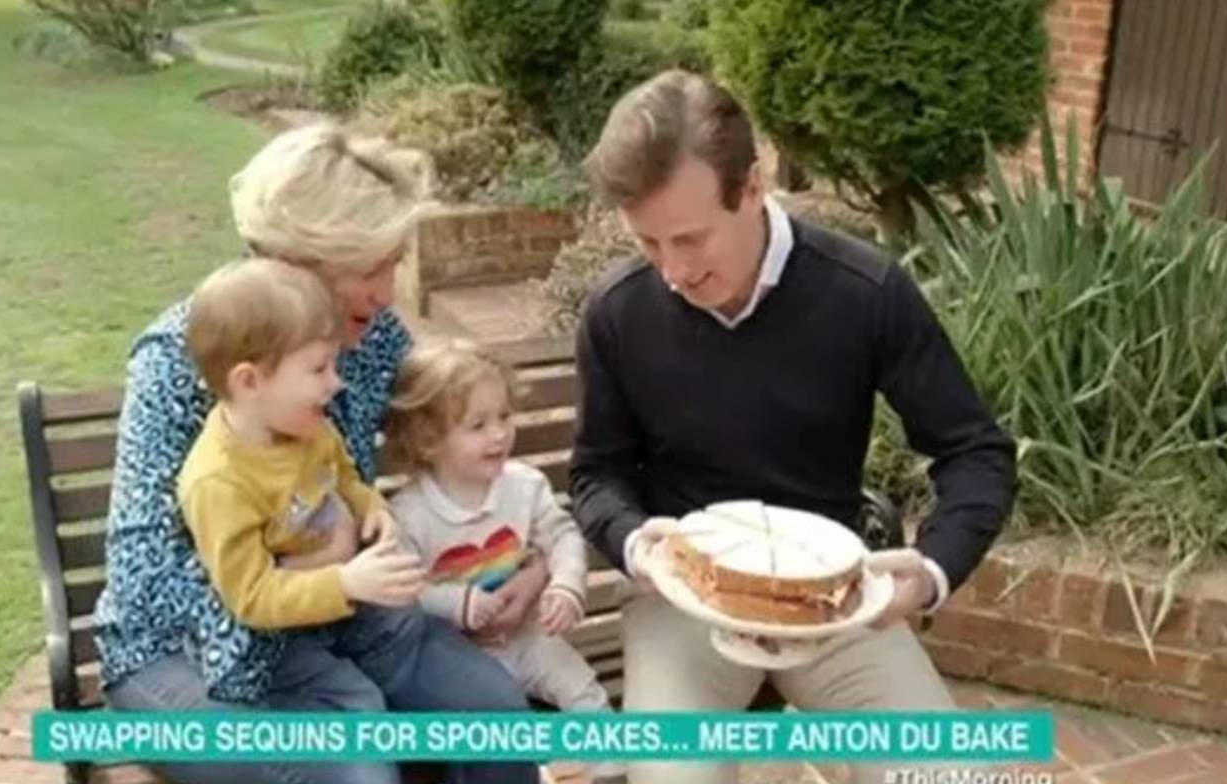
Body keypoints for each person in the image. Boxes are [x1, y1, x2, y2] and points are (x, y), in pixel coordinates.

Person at [569, 70, 1018, 784]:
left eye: (690, 238)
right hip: (683, 604)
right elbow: (597, 476)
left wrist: (929, 575)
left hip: (833, 607)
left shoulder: (866, 293)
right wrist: (632, 542)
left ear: (754, 186)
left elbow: (976, 451)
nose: (673, 270)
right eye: (648, 243)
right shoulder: (618, 313)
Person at [93, 123, 545, 784]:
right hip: (189, 657)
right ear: (291, 262)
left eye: (395, 263)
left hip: (346, 625)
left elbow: (445, 433)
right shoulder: (180, 359)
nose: (389, 292)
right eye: (371, 267)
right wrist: (316, 570)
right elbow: (146, 575)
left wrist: (523, 560)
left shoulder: (372, 338)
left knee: (500, 724)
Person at [384, 338, 626, 783]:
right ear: (428, 440)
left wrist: (566, 584)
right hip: (460, 658)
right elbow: (402, 590)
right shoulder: (410, 514)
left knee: (581, 688)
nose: (499, 434)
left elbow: (562, 535)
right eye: (477, 425)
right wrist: (455, 603)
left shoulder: (524, 486)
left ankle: (609, 772)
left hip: (528, 637)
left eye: (504, 417)